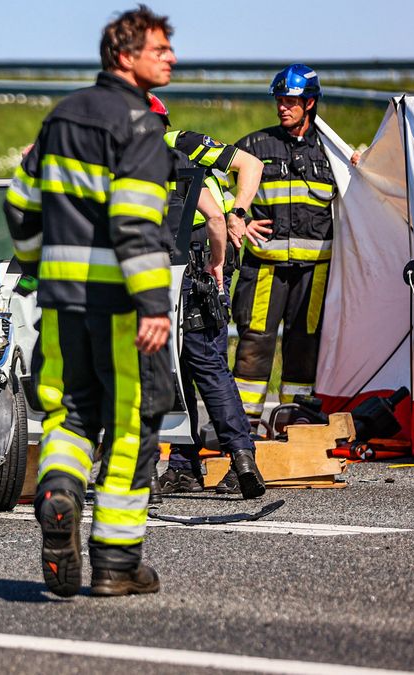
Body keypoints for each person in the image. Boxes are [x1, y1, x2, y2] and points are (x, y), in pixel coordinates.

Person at [4, 5, 176, 598]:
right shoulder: (141, 126)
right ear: (124, 55)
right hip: (124, 312)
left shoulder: (60, 117)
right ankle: (116, 564)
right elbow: (134, 223)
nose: (170, 58)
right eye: (159, 50)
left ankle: (57, 493)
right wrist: (154, 303)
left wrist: (33, 263)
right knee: (132, 427)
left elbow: (20, 208)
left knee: (69, 417)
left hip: (60, 306)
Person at [148, 94, 269, 499]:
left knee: (185, 361)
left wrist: (239, 213)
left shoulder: (176, 147)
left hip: (193, 260)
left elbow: (249, 166)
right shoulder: (159, 156)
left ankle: (228, 459)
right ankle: (193, 464)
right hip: (199, 261)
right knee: (192, 361)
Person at [232, 64, 337, 418]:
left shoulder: (332, 153)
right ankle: (242, 429)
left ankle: (293, 422)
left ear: (309, 103)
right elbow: (211, 184)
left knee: (304, 347)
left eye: (290, 100)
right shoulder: (254, 145)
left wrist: (360, 160)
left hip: (315, 271)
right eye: (279, 100)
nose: (282, 107)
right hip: (264, 267)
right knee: (254, 344)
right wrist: (238, 220)